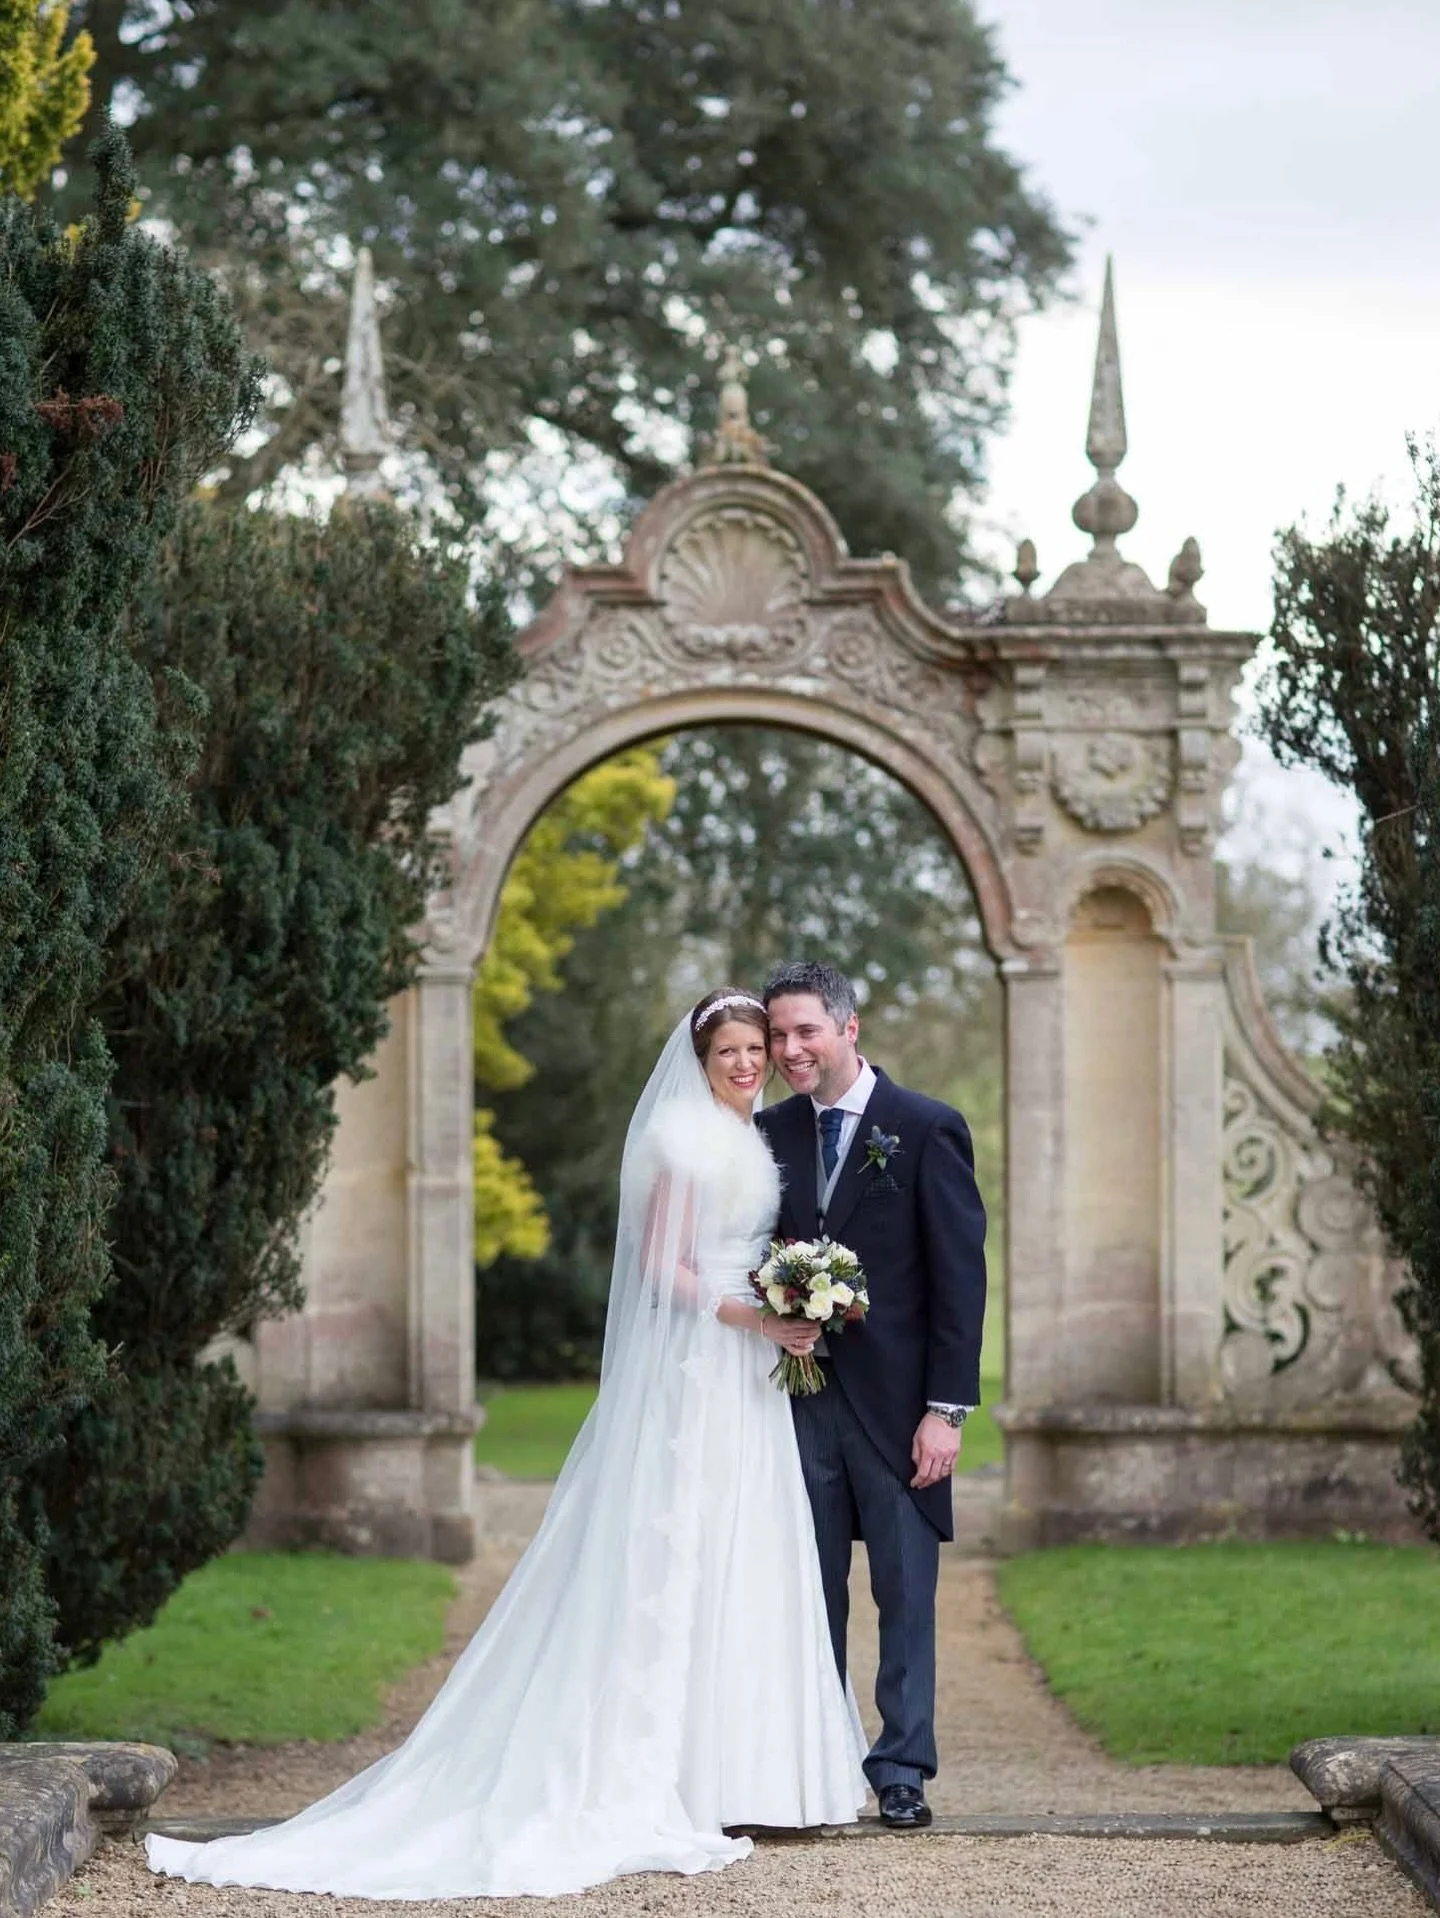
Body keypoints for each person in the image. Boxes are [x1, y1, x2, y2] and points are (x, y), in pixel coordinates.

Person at [145, 988, 866, 1900]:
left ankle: (750, 1773)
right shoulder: (681, 1143)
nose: (746, 1062)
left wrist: (789, 1301)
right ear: (699, 1056)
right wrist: (749, 1313)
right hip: (702, 1365)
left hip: (751, 1378)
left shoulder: (751, 1135)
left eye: (755, 1047)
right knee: (679, 1542)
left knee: (748, 1548)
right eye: (728, 1049)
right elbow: (660, 1269)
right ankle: (676, 1772)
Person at [756, 960, 988, 1832]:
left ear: (849, 1028)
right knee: (805, 1591)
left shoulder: (925, 1129)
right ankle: (808, 1765)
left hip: (899, 1409)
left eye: (804, 1031)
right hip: (793, 1399)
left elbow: (960, 1282)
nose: (788, 1050)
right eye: (778, 1036)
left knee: (903, 1594)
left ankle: (901, 1769)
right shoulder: (766, 1130)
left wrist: (947, 1410)